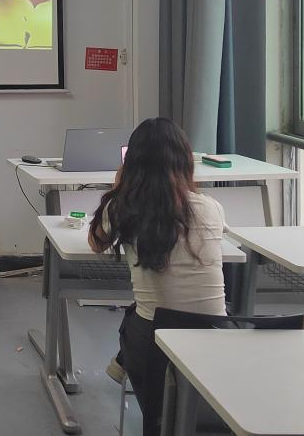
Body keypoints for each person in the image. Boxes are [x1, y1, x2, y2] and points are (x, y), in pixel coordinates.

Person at [87, 118, 226, 436]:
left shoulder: (122, 208)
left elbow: (96, 243)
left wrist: (118, 188)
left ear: (132, 164)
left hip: (154, 338)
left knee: (135, 316)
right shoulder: (211, 208)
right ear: (185, 161)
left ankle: (123, 365)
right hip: (217, 333)